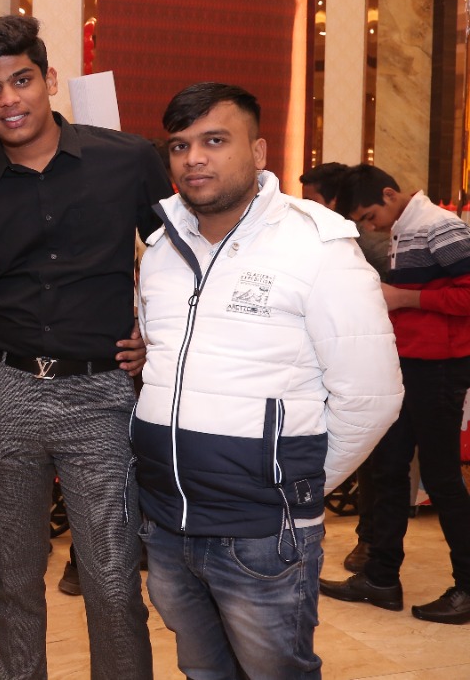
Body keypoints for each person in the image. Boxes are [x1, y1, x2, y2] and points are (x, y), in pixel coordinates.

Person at [135, 82, 403, 677]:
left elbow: (373, 397)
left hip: (263, 532)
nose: (194, 158)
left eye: (215, 141)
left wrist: (290, 484)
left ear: (258, 152)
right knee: (203, 672)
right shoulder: (161, 249)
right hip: (169, 523)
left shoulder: (316, 245)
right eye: (180, 145)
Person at [0, 15, 168, 680]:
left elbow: (179, 261)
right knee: (13, 585)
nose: (9, 99)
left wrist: (158, 338)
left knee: (113, 584)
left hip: (100, 394)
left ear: (50, 80)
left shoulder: (128, 160)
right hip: (2, 393)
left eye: (22, 80)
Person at [320, 164, 470, 625]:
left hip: (440, 366)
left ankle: (468, 587)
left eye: (369, 216)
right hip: (410, 363)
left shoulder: (439, 226)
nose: (370, 227)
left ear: (389, 194)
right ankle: (380, 576)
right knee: (386, 468)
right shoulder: (404, 227)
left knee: (442, 478)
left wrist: (404, 299)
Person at [299, 160, 390, 574]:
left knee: (377, 465)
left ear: (334, 201)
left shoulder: (357, 247)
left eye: (314, 200)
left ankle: (371, 546)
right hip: (330, 366)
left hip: (359, 367)